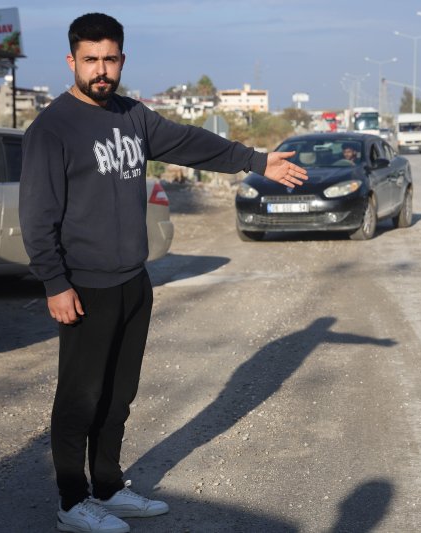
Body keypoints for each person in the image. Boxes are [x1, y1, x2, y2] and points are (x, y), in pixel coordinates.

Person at [18, 13, 308, 533]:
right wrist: (55, 283)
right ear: (72, 61)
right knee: (80, 396)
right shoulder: (52, 128)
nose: (101, 70)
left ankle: (106, 486)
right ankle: (71, 501)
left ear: (122, 60)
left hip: (133, 279)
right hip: (84, 286)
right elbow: (38, 216)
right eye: (91, 60)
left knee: (119, 394)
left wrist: (256, 160)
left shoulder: (133, 116)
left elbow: (193, 142)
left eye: (110, 59)